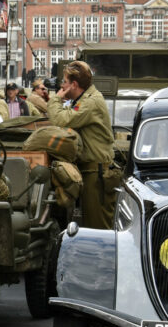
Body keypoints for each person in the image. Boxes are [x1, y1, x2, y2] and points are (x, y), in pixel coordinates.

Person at [47, 60, 116, 229]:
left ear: (74, 85)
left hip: (96, 173)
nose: (62, 86)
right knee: (89, 226)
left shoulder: (90, 102)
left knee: (97, 229)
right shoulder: (85, 99)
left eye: (64, 82)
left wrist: (56, 99)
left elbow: (60, 119)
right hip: (91, 171)